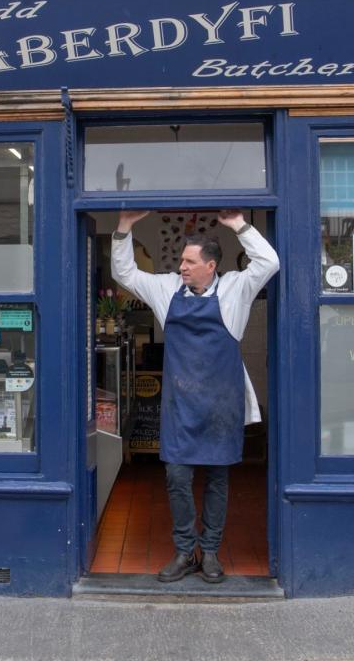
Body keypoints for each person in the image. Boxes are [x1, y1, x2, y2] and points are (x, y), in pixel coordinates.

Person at [112, 209, 279, 584]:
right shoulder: (166, 288)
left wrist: (239, 224)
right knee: (176, 478)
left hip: (222, 405)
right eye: (182, 260)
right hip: (180, 406)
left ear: (211, 265)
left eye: (189, 261)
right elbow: (124, 274)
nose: (181, 267)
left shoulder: (237, 288)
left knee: (218, 481)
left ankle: (211, 553)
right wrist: (123, 227)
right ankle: (185, 551)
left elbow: (269, 261)